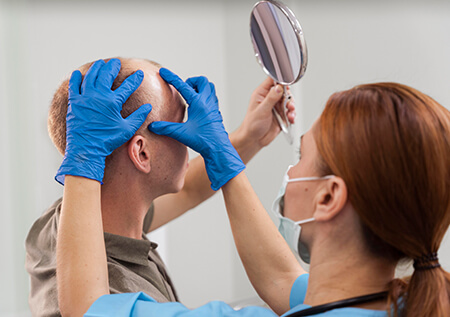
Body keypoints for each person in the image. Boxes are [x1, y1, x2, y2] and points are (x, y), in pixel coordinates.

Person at [56, 59, 450, 317]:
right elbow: (281, 279)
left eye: (301, 157)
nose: (292, 169)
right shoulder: (408, 302)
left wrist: (85, 157)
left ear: (328, 196)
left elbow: (87, 308)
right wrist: (230, 152)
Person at [25, 57, 295, 316]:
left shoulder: (58, 227)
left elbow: (189, 189)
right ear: (141, 153)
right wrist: (241, 142)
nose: (192, 137)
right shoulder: (122, 294)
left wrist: (248, 138)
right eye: (181, 123)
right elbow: (88, 310)